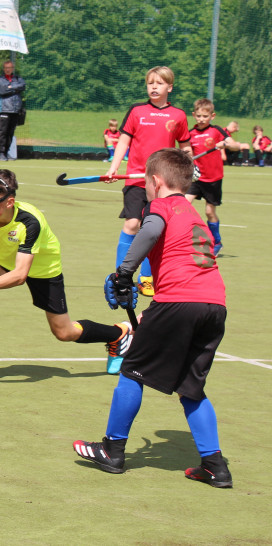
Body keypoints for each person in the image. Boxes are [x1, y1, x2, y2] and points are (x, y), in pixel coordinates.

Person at [73, 149, 231, 488]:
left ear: (156, 182)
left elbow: (149, 232)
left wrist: (124, 273)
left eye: (146, 182)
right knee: (191, 387)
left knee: (131, 370)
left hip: (180, 301)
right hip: (214, 304)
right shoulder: (192, 212)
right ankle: (215, 466)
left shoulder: (160, 206)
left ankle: (112, 450)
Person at [0, 169, 133, 387]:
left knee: (64, 332)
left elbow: (19, 275)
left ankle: (118, 334)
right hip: (3, 258)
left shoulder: (29, 222)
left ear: (9, 202)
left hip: (43, 269)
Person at [104, 66, 190, 297]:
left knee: (153, 229)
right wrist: (114, 168)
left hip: (162, 184)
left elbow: (185, 147)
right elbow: (123, 142)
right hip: (137, 180)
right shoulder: (136, 111)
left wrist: (190, 165)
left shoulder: (179, 116)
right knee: (132, 224)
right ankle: (120, 275)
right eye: (150, 83)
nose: (154, 87)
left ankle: (146, 277)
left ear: (169, 87)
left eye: (159, 83)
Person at [185, 99, 229, 257]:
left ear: (212, 116)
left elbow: (234, 144)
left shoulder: (216, 131)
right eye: (198, 116)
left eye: (205, 116)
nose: (201, 119)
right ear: (194, 115)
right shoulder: (190, 134)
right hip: (196, 178)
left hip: (214, 179)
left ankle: (216, 242)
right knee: (183, 204)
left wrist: (225, 143)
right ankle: (191, 239)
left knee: (210, 212)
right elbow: (186, 153)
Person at [0, 60, 25, 161]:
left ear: (12, 69)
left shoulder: (18, 79)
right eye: (6, 68)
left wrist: (10, 87)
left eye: (10, 68)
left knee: (11, 132)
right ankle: (0, 153)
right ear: (4, 69)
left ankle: (6, 152)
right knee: (3, 132)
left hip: (15, 110)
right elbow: (2, 90)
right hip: (4, 109)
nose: (8, 70)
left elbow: (22, 86)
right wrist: (15, 89)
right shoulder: (0, 80)